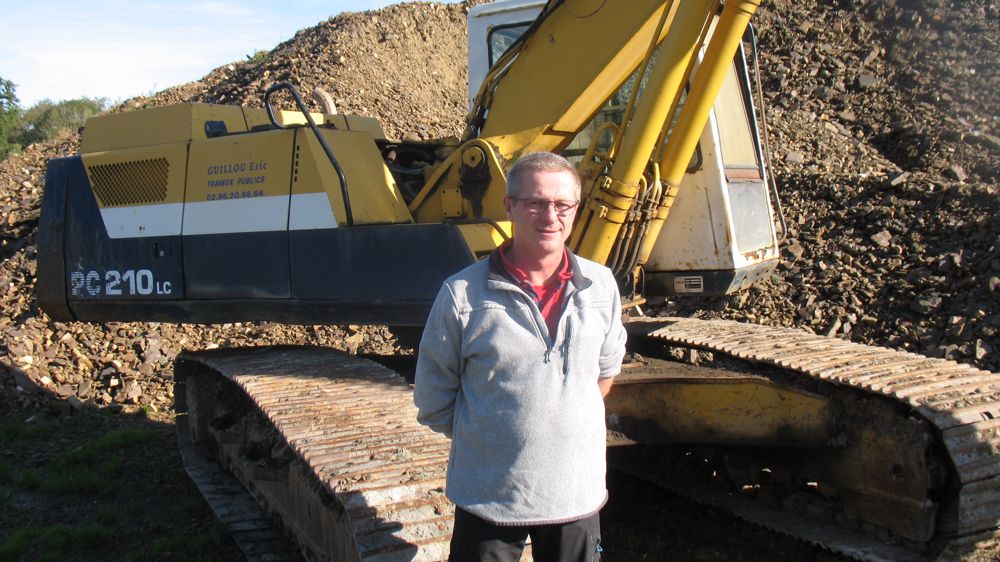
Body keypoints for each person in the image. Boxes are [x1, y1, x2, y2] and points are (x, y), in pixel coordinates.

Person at [413, 151, 627, 562]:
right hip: (488, 496)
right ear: (509, 206)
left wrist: (560, 420)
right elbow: (434, 397)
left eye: (562, 204)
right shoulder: (463, 294)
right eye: (535, 202)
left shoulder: (600, 286)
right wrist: (495, 440)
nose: (550, 216)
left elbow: (605, 371)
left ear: (575, 210)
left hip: (575, 494)